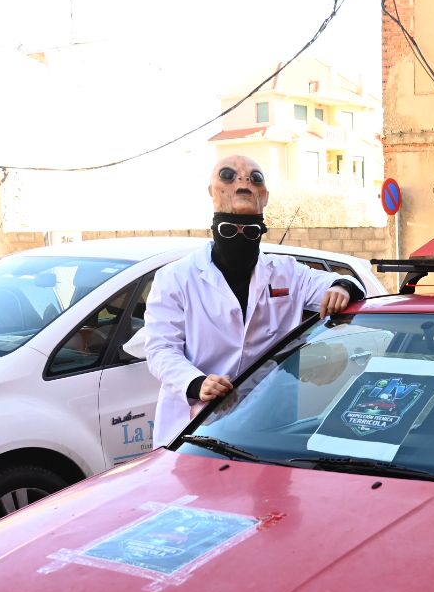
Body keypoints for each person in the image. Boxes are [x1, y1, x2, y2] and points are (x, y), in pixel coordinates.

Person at [145, 155, 362, 443]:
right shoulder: (176, 277)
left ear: (265, 196)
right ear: (212, 192)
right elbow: (160, 349)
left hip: (267, 426)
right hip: (195, 426)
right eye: (228, 175)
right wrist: (195, 382)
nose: (243, 181)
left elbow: (348, 284)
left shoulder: (287, 272)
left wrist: (343, 287)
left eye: (251, 232)